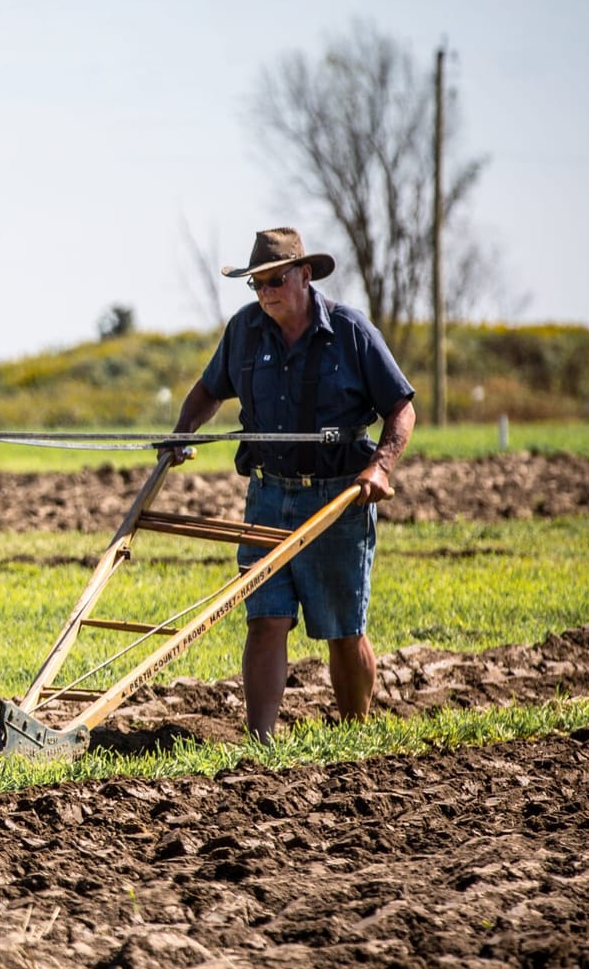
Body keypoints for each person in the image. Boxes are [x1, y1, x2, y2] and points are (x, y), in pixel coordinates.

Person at [168, 228, 416, 740]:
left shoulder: (350, 331)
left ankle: (354, 736)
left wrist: (381, 467)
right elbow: (209, 389)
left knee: (343, 630)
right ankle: (260, 742)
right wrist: (180, 433)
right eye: (256, 284)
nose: (265, 293)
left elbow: (401, 408)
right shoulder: (244, 331)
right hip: (268, 495)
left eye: (275, 280)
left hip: (338, 499)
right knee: (265, 620)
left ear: (304, 275)